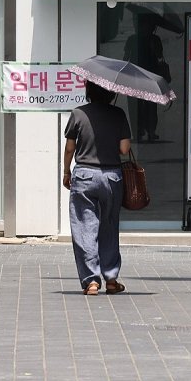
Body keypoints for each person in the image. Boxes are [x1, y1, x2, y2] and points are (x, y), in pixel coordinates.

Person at [63, 80, 131, 295]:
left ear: (88, 91)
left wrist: (66, 171)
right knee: (109, 226)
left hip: (84, 174)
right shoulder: (118, 114)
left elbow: (69, 148)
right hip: (112, 176)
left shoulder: (78, 114)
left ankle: (91, 281)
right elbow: (124, 149)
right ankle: (111, 279)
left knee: (84, 228)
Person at [124, 16, 171, 142]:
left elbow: (160, 55)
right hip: (137, 76)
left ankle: (150, 130)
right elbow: (126, 57)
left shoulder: (154, 39)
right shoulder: (133, 39)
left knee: (150, 105)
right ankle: (139, 130)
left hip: (149, 76)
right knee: (138, 105)